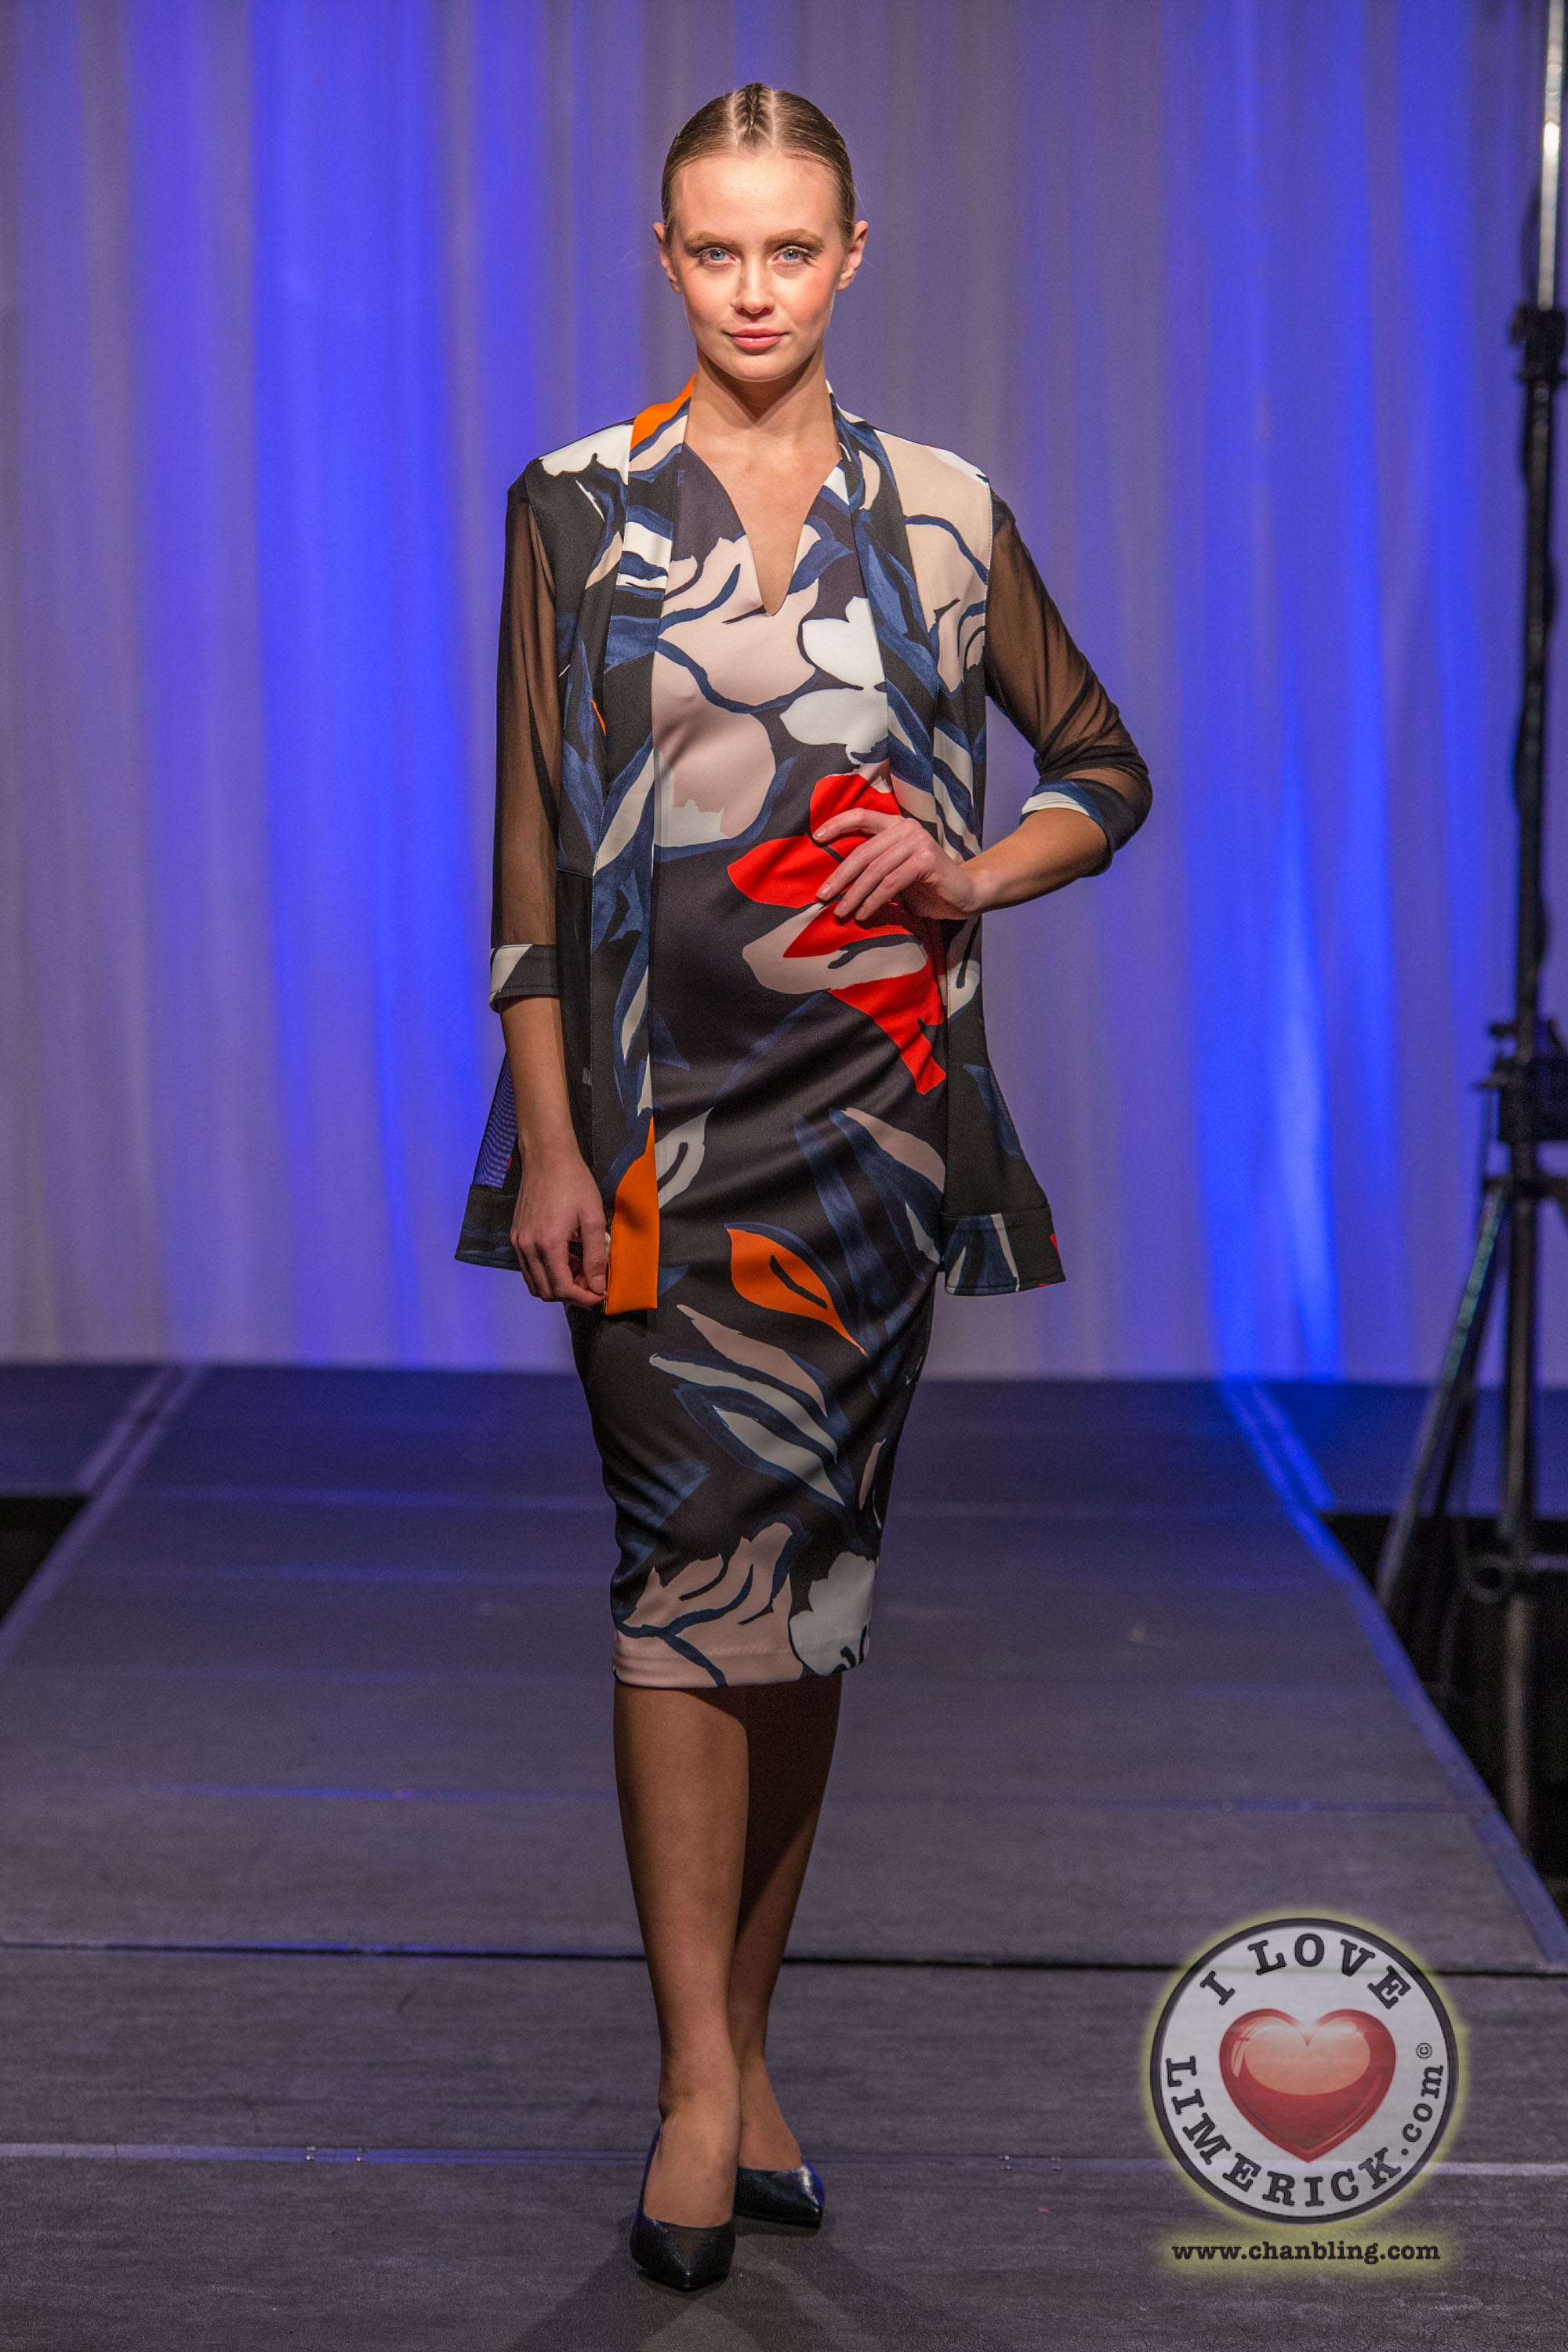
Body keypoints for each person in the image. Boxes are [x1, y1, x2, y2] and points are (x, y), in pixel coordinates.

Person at [456, 83, 1151, 2292]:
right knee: (683, 1575)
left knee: (810, 1588)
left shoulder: (944, 512)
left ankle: (745, 2054)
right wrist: (549, 1137)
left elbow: (1108, 769)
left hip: (871, 1133)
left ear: (852, 258)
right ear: (666, 256)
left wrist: (976, 871)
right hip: (650, 1137)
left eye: (788, 250)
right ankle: (693, 2084)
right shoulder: (576, 504)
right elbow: (530, 850)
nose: (751, 290)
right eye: (713, 249)